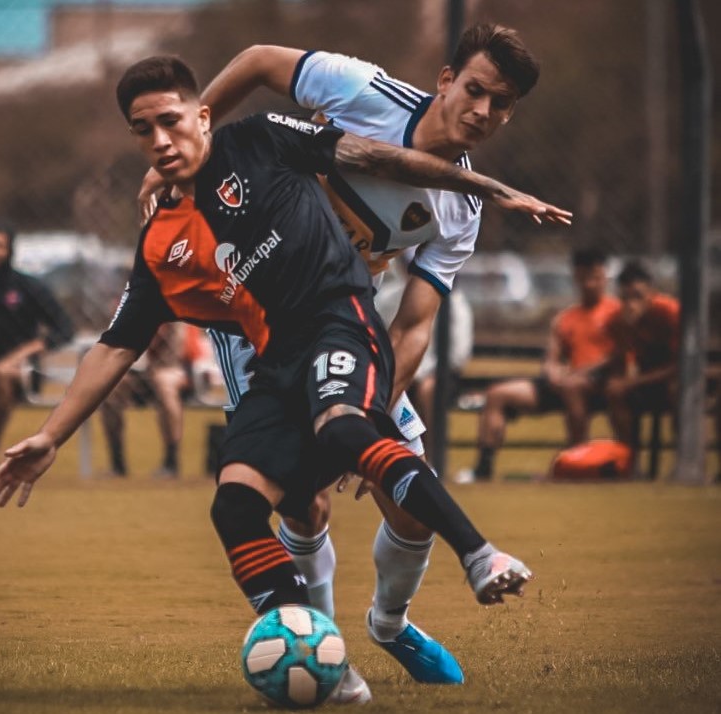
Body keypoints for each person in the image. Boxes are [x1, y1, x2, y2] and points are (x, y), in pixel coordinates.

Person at [0, 56, 569, 700]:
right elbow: (116, 345)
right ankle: (322, 651)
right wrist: (50, 436)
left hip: (339, 321)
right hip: (266, 356)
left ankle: (447, 582)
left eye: (171, 122)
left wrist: (483, 188)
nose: (159, 140)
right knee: (245, 502)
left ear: (203, 115)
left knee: (364, 454)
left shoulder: (263, 137)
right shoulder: (164, 241)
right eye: (143, 131)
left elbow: (374, 166)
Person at [135, 26, 557, 686]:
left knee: (411, 501)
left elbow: (415, 324)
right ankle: (328, 661)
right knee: (301, 506)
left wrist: (367, 409)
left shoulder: (459, 207)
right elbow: (255, 60)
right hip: (257, 331)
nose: (481, 111)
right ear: (445, 80)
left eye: (500, 104)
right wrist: (191, 138)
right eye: (473, 90)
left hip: (341, 329)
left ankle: (388, 622)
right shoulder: (363, 90)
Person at [456, 248, 620, 483]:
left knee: (572, 386)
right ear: (576, 277)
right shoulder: (565, 318)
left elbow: (618, 356)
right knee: (497, 394)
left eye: (595, 277)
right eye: (584, 277)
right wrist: (552, 373)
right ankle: (482, 469)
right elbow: (551, 358)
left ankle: (577, 465)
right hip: (564, 385)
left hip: (598, 385)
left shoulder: (616, 313)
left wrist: (580, 373)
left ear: (605, 277)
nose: (590, 284)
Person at [0, 221, 75, 483]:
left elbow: (65, 328)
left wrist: (25, 352)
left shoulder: (28, 287)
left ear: (9, 250)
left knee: (1, 372)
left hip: (23, 373)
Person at [604, 261, 679, 457]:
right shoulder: (617, 320)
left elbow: (680, 366)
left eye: (638, 296)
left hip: (672, 378)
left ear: (651, 293)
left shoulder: (669, 312)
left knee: (678, 391)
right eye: (625, 297)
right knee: (615, 392)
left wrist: (632, 381)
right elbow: (622, 360)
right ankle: (627, 458)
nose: (631, 303)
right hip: (644, 380)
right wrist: (627, 330)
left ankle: (686, 458)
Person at [100, 323, 190, 478]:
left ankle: (171, 461)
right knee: (111, 390)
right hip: (143, 372)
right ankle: (117, 464)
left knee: (164, 384)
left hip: (174, 369)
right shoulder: (133, 304)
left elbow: (157, 338)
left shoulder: (178, 314)